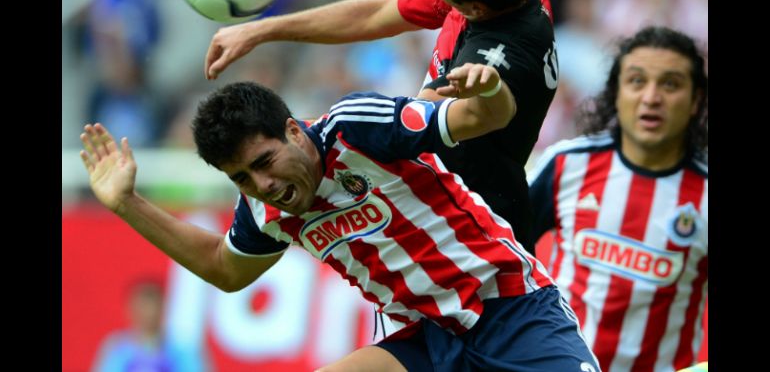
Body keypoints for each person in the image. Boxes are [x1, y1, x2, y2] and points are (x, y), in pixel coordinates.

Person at [81, 63, 599, 371]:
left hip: (508, 307)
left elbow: (489, 116)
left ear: (293, 130)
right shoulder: (264, 208)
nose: (262, 186)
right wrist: (128, 202)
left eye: (263, 163)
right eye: (240, 178)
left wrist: (488, 88)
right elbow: (225, 268)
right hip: (421, 339)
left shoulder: (358, 128)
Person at [203, 0, 558, 254]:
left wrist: (314, 138)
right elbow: (375, 15)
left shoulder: (501, 53)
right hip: (434, 224)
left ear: (473, 8)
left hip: (478, 239)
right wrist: (261, 30)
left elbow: (419, 123)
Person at [528, 26, 707, 372]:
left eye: (670, 84)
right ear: (616, 92)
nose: (651, 97)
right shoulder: (566, 164)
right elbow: (503, 255)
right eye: (637, 81)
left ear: (695, 100)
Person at [90, 278, 209, 372]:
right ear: (130, 310)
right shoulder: (117, 348)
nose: (148, 313)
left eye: (152, 305)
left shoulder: (184, 349)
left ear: (163, 308)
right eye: (142, 307)